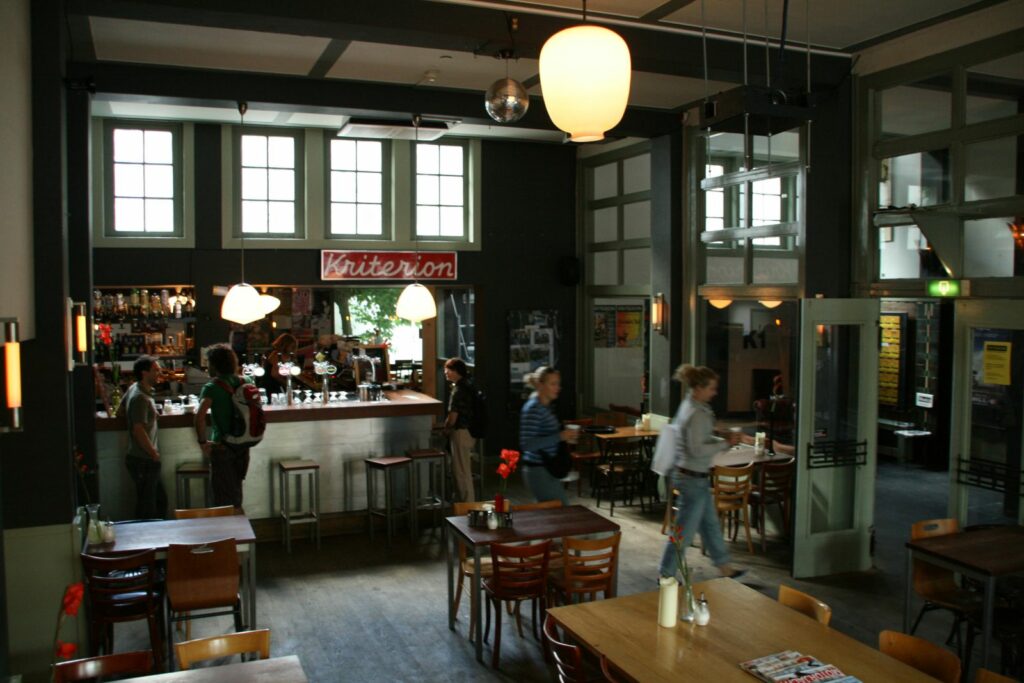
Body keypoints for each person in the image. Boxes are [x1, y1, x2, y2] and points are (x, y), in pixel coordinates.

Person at [659, 364, 745, 580]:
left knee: (710, 525)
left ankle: (725, 567)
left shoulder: (689, 405)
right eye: (712, 388)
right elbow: (696, 449)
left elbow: (698, 442)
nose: (714, 393)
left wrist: (721, 440)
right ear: (699, 388)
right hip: (692, 477)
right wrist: (724, 442)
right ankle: (666, 574)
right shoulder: (697, 413)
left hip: (691, 475)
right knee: (684, 532)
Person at [195, 345, 252, 511]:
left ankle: (229, 534)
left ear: (214, 365)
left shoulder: (212, 387)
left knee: (223, 499)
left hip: (222, 447)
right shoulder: (246, 381)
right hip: (243, 446)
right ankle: (240, 534)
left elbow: (199, 417)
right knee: (236, 494)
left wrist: (202, 442)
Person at [519, 366, 578, 506]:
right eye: (553, 384)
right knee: (561, 511)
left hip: (546, 469)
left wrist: (563, 437)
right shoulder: (534, 408)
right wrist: (560, 437)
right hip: (538, 470)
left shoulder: (543, 406)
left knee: (551, 515)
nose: (558, 387)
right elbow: (527, 444)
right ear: (540, 385)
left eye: (558, 383)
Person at [123, 356, 167, 519]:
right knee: (149, 506)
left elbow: (121, 410)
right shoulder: (140, 397)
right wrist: (153, 453)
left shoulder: (135, 388)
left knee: (154, 502)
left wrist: (151, 412)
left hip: (140, 458)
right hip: (144, 459)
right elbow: (138, 429)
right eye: (155, 370)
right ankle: (149, 541)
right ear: (144, 373)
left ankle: (153, 539)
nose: (159, 372)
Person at [443, 357, 476, 502]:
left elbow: (453, 417)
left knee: (461, 472)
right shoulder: (469, 385)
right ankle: (463, 503)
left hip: (461, 432)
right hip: (470, 431)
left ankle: (467, 507)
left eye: (448, 370)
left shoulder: (458, 390)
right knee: (463, 469)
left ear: (456, 371)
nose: (445, 372)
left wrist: (445, 428)